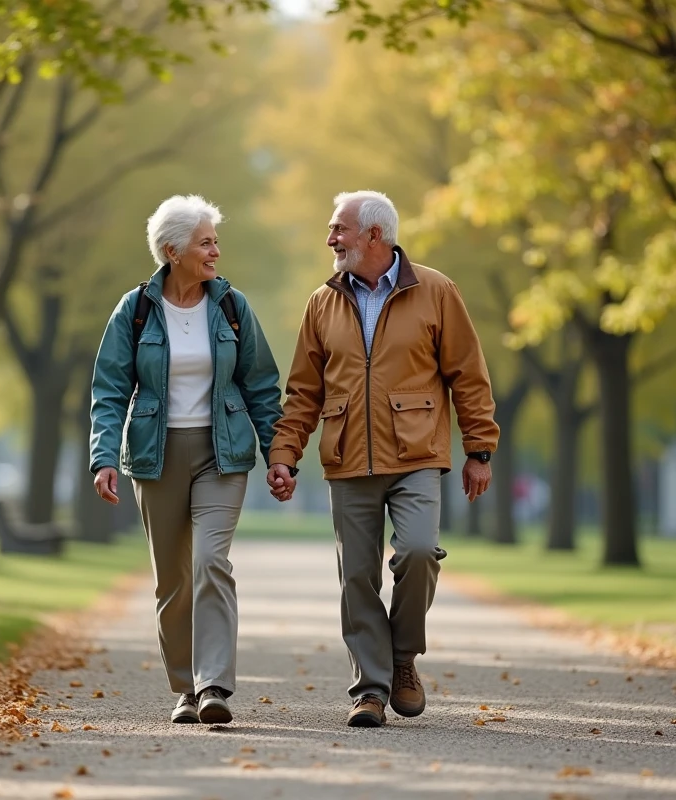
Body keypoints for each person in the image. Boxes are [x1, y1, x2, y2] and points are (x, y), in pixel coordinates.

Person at [266, 190, 499, 728]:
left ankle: (402, 659)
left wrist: (479, 448)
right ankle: (369, 690)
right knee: (358, 577)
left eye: (338, 230)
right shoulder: (322, 302)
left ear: (375, 235)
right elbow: (303, 391)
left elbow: (468, 373)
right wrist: (284, 455)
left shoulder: (436, 291)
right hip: (348, 455)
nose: (330, 239)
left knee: (418, 552)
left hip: (417, 453)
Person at [89, 194, 283, 725]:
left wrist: (278, 455)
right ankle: (186, 687)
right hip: (156, 456)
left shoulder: (230, 306)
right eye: (206, 242)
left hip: (223, 453)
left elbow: (262, 385)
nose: (216, 251)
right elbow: (109, 390)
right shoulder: (136, 310)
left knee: (210, 562)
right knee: (172, 580)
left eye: (216, 240)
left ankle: (214, 683)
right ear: (173, 251)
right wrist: (103, 456)